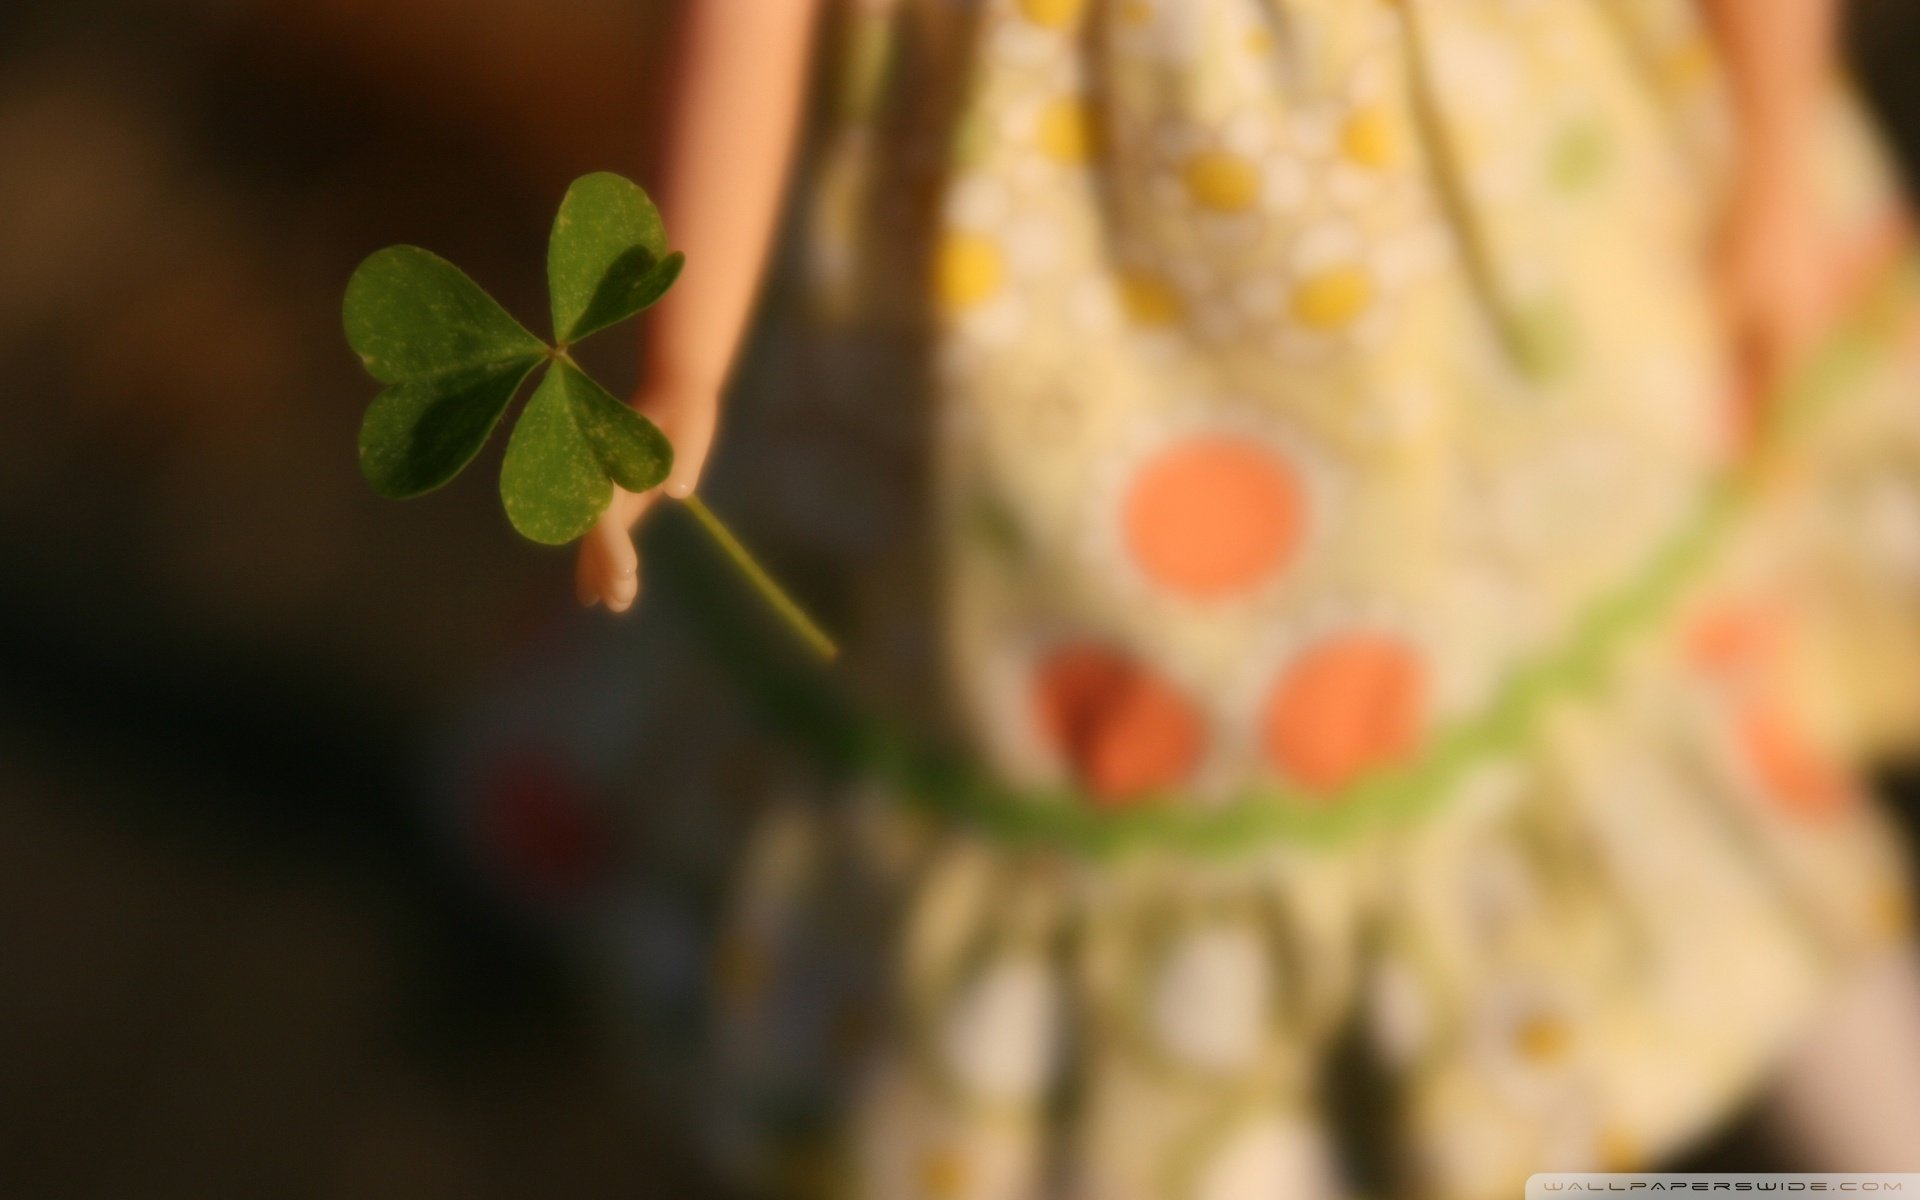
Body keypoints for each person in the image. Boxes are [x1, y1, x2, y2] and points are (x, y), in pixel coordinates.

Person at [546, 0, 1920, 1195]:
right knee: (1161, 920)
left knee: (1665, 777)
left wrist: (1775, 167)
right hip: (1033, 403)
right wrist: (685, 368)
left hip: (1491, 308)